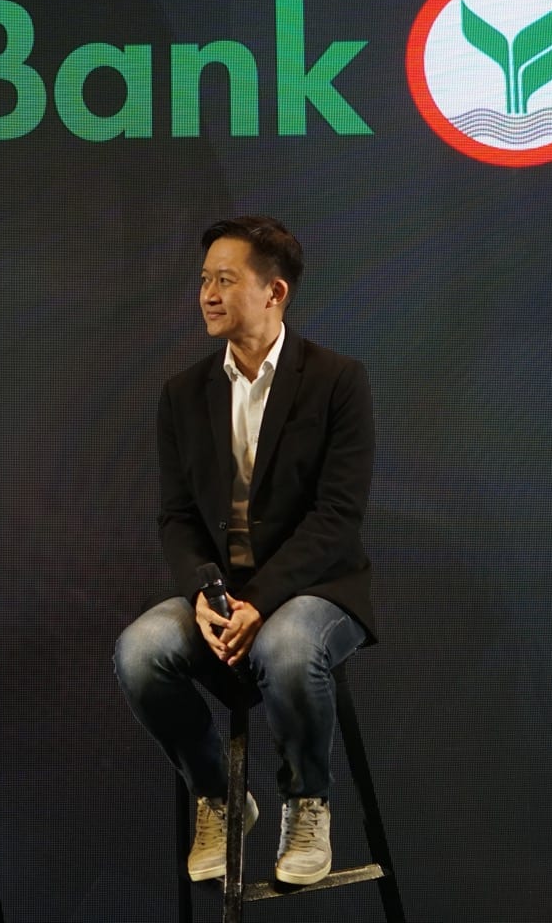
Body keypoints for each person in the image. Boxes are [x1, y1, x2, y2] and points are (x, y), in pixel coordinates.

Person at [113, 217, 377, 887]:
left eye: (224, 280)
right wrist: (202, 594)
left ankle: (307, 803)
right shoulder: (183, 394)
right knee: (140, 651)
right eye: (204, 280)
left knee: (287, 647)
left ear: (274, 292)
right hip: (222, 592)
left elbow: (337, 518)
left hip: (318, 587)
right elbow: (176, 518)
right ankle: (220, 797)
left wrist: (260, 600)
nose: (207, 294)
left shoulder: (338, 381)